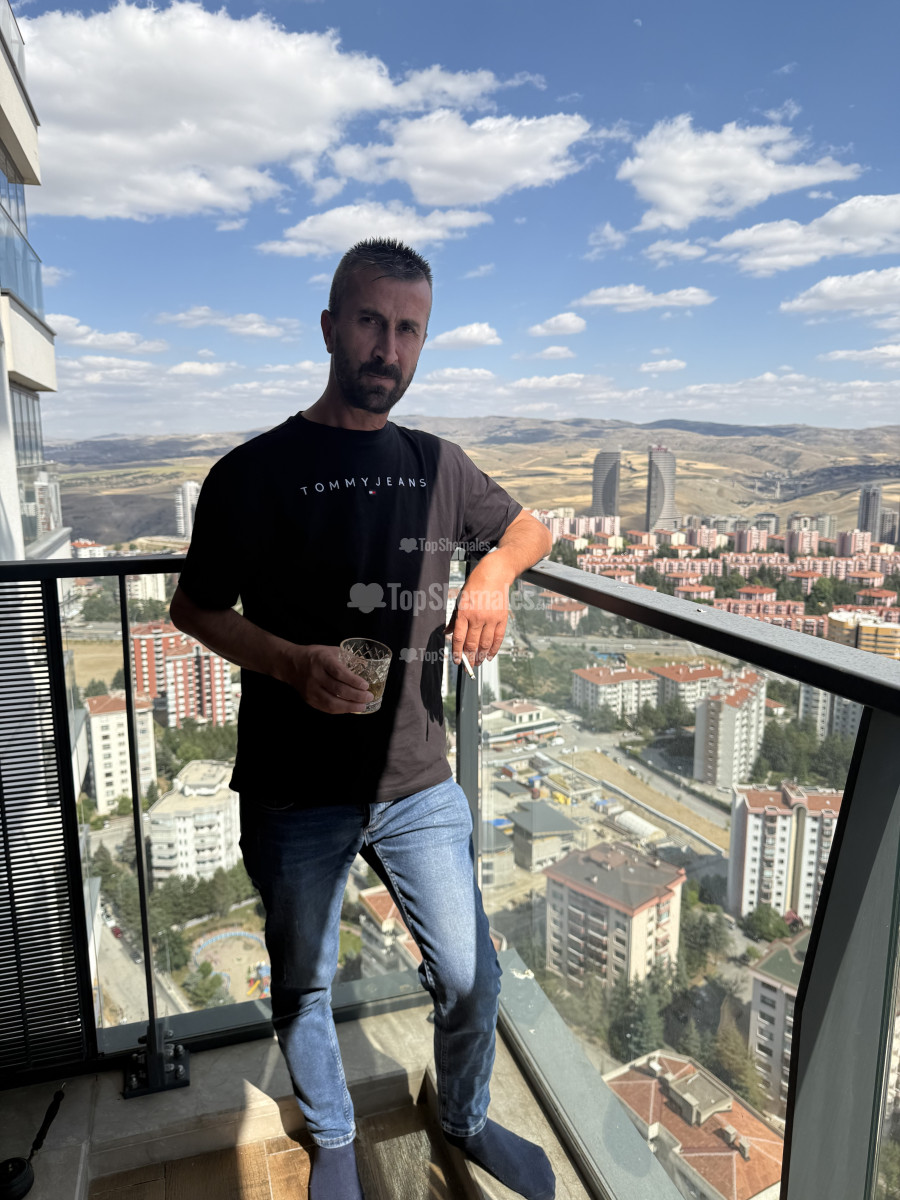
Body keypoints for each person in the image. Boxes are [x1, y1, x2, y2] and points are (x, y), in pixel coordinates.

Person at [170, 238, 555, 1200]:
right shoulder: (251, 472)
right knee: (302, 981)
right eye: (372, 322)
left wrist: (494, 572)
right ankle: (335, 1139)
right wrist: (291, 662)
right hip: (294, 786)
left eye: (409, 329)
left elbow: (531, 526)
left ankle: (463, 1116)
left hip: (417, 779)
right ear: (331, 327)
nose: (389, 347)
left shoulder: (438, 464)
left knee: (470, 977)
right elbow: (196, 609)